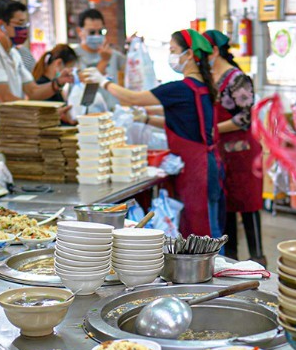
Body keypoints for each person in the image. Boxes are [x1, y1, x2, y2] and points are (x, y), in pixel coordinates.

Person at [81, 29, 223, 238]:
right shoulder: (200, 87)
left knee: (202, 232)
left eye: (174, 50)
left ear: (190, 54)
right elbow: (182, 122)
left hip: (197, 171)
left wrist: (103, 81)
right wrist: (144, 118)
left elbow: (133, 98)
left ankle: (210, 267)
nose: (171, 56)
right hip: (207, 165)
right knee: (210, 227)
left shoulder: (182, 88)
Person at [0, 0, 65, 156]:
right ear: (1, 25)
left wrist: (58, 83)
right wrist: (43, 116)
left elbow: (33, 91)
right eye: (19, 24)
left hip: (14, 132)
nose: (24, 29)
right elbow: (5, 97)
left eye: (25, 24)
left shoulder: (14, 54)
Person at [204, 30, 264, 265]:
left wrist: (214, 128)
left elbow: (245, 117)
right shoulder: (209, 76)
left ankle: (258, 261)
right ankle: (231, 262)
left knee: (248, 207)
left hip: (243, 153)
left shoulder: (237, 78)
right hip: (221, 152)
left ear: (215, 50)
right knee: (225, 207)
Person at [75, 8, 125, 108]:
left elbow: (133, 71)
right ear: (80, 31)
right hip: (87, 115)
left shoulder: (113, 54)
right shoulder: (74, 56)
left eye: (101, 32)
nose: (97, 36)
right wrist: (104, 61)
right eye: (92, 32)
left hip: (112, 113)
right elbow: (86, 85)